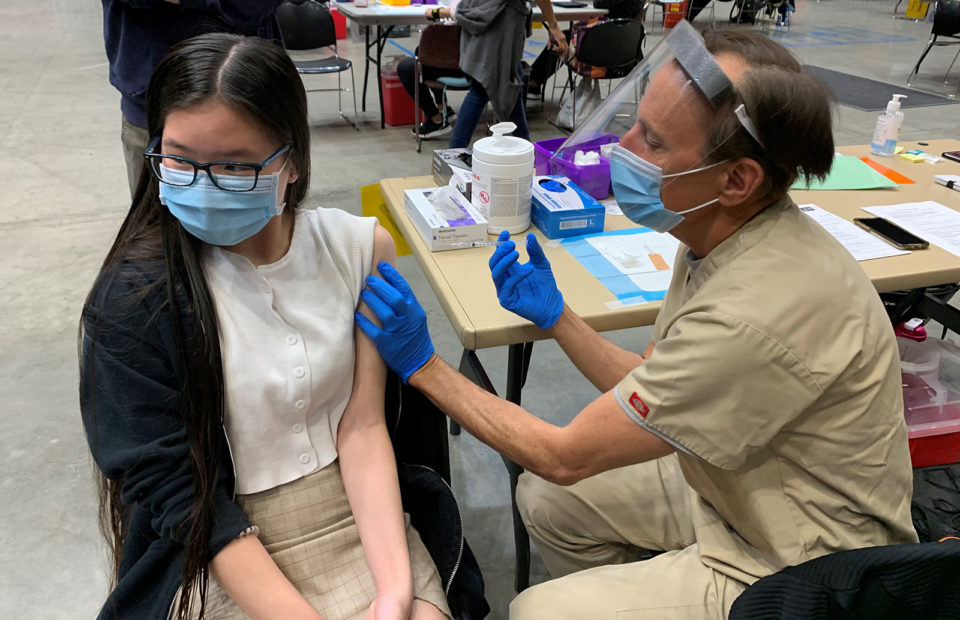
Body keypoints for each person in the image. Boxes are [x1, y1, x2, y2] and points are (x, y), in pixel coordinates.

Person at [355, 23, 919, 619]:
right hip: (737, 485)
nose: (622, 147)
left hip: (799, 561)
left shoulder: (754, 313)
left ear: (736, 180)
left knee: (537, 610)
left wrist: (424, 365)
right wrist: (559, 318)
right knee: (549, 500)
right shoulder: (715, 234)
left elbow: (564, 453)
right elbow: (650, 383)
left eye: (652, 141)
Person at [80, 33, 451, 620]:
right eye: (179, 160)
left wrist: (393, 591)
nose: (203, 186)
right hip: (216, 535)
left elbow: (361, 427)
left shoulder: (359, 248)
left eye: (234, 166)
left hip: (355, 507)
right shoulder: (135, 299)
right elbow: (182, 497)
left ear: (292, 160)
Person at [101, 0, 284, 198]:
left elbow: (251, 6)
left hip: (253, 90)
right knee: (153, 219)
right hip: (154, 96)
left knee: (257, 214)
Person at [424, 0, 568, 148]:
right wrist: (553, 25)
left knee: (509, 82)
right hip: (501, 21)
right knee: (484, 86)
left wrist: (439, 12)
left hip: (488, 19)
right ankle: (454, 154)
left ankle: (526, 148)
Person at [526, 0, 644, 95]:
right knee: (566, 36)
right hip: (628, 54)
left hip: (606, 52)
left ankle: (533, 81)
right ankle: (533, 81)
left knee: (562, 39)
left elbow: (599, 3)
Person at [396, 54, 461, 140]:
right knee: (433, 55)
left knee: (406, 68)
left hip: (458, 69)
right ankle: (444, 110)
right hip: (475, 69)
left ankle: (437, 121)